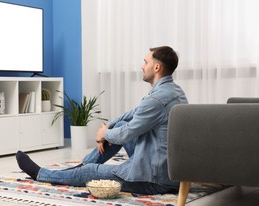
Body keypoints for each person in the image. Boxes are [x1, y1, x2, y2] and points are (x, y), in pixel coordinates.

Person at [16, 46, 188, 195]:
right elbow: (131, 114)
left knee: (91, 172)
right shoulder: (173, 91)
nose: (142, 66)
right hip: (166, 169)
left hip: (154, 180)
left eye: (146, 62)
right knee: (119, 126)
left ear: (156, 67)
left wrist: (104, 132)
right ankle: (78, 169)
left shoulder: (156, 100)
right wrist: (108, 127)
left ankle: (42, 174)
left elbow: (125, 135)